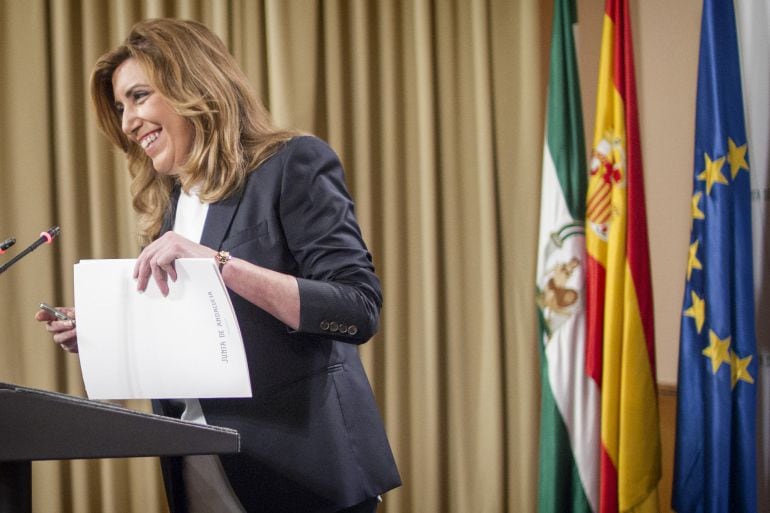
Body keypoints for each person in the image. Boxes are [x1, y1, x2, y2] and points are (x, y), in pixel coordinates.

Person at [36, 18, 400, 513]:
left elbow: (358, 309)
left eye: (140, 97)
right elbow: (206, 333)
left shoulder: (291, 165)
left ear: (193, 85)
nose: (126, 122)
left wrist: (221, 264)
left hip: (302, 467)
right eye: (121, 107)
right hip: (198, 461)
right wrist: (106, 331)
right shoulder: (171, 203)